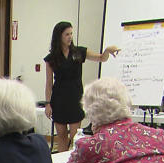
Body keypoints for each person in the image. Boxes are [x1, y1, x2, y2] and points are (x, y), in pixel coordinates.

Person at [43, 21, 120, 153]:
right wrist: (48, 104)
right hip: (59, 98)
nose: (70, 37)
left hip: (75, 97)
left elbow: (101, 58)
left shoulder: (79, 52)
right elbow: (49, 83)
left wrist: (107, 50)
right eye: (67, 34)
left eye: (71, 34)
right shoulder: (52, 58)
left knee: (74, 137)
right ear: (59, 36)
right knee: (61, 136)